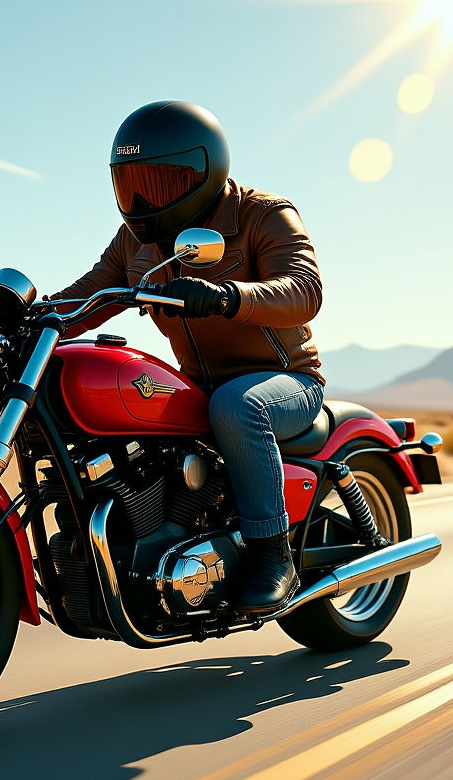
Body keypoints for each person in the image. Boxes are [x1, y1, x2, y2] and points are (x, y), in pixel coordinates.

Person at [50, 101, 324, 613]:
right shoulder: (135, 241)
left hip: (284, 382)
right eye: (130, 183)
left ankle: (272, 553)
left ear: (203, 172)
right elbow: (88, 296)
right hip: (200, 386)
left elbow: (304, 290)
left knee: (237, 406)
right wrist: (24, 316)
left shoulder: (262, 213)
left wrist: (229, 297)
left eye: (159, 182)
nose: (141, 199)